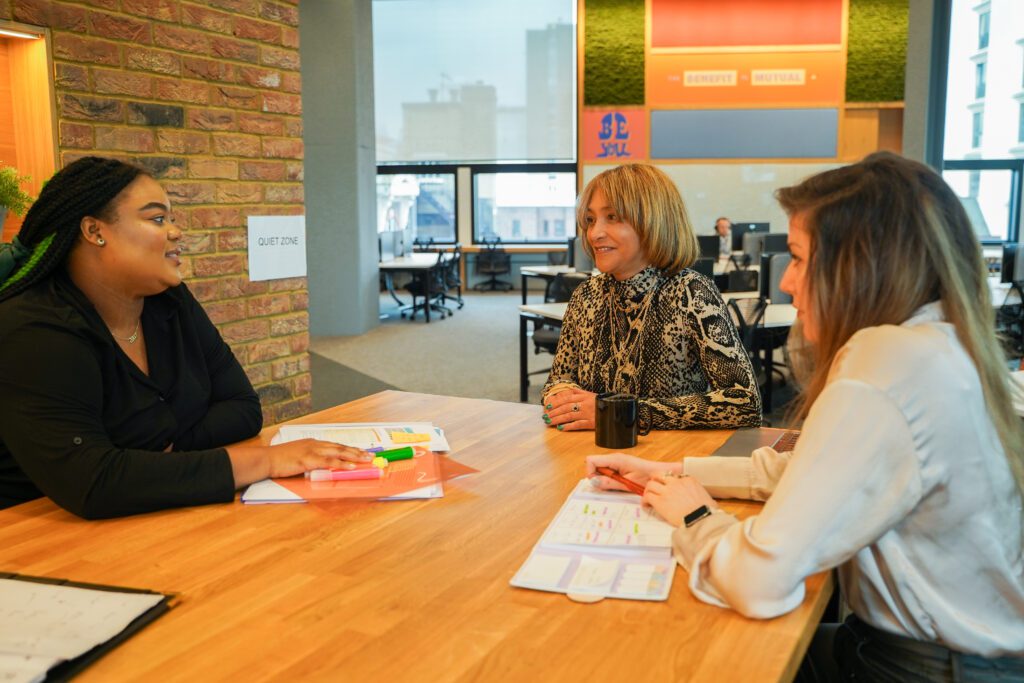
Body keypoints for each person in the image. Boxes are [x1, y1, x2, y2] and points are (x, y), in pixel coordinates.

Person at [588, 152, 1024, 679]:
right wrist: (673, 474)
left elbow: (758, 582)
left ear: (858, 265)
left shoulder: (883, 367)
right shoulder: (934, 345)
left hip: (924, 667)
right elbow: (806, 469)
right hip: (960, 654)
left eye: (796, 257)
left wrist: (695, 518)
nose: (787, 283)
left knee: (671, 655)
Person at [0, 157, 369, 519]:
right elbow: (93, 481)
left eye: (172, 219)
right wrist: (268, 460)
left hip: (154, 515)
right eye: (157, 218)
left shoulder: (169, 301)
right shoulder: (32, 327)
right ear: (95, 231)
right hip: (36, 540)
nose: (176, 231)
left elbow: (243, 408)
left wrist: (147, 460)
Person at [542, 164, 761, 431]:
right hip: (589, 454)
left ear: (653, 221)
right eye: (590, 220)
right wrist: (560, 394)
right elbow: (559, 378)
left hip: (662, 461)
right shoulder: (586, 294)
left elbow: (745, 403)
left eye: (612, 217)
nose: (594, 233)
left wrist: (623, 413)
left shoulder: (690, 291)